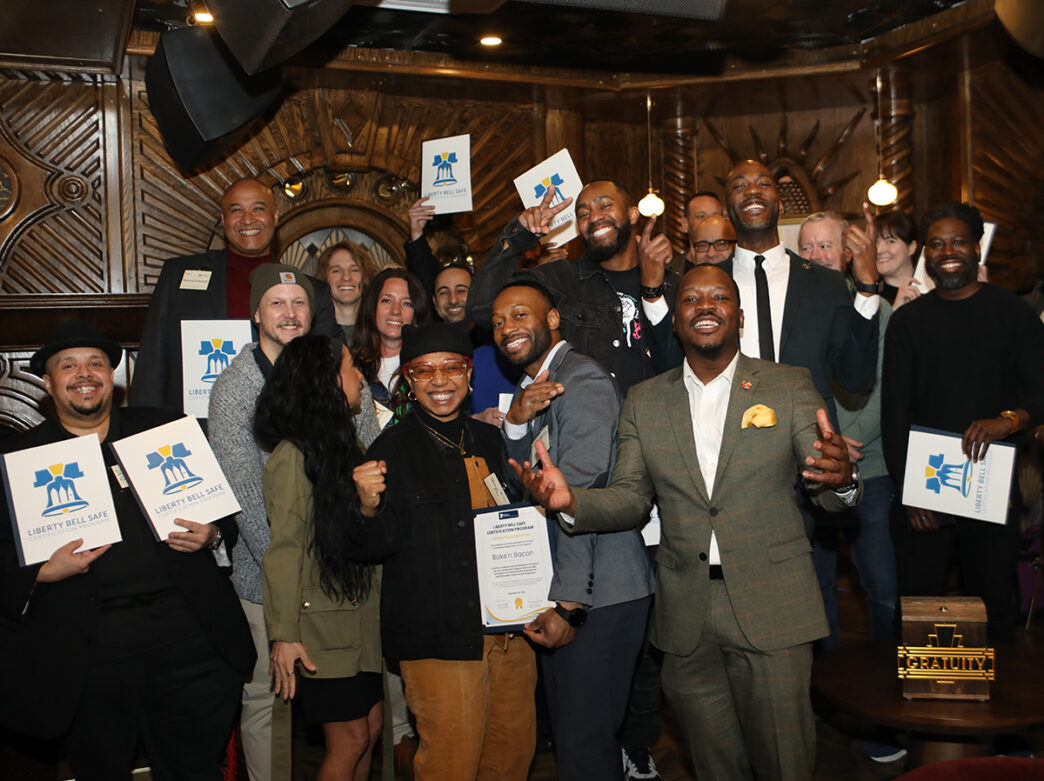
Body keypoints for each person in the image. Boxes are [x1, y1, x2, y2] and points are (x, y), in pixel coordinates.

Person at [513, 264, 860, 781]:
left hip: (774, 608)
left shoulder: (788, 386)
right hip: (686, 617)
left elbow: (825, 486)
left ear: (739, 315)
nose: (704, 305)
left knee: (786, 765)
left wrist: (841, 482)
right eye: (691, 298)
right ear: (675, 321)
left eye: (718, 296)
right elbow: (631, 499)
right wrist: (570, 502)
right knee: (715, 767)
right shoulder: (646, 401)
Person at [0, 320, 255, 780]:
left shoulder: (164, 431)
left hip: (191, 649)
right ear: (47, 382)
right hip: (88, 659)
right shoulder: (21, 460)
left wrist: (212, 535)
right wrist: (39, 572)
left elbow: (226, 523)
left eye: (96, 364)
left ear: (111, 377)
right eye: (69, 365)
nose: (84, 374)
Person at [209, 265, 382, 781]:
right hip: (272, 572)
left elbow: (369, 451)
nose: (289, 313)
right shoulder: (236, 385)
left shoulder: (339, 367)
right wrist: (300, 583)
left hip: (339, 569)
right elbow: (246, 497)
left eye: (299, 303)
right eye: (277, 303)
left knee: (358, 721)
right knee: (270, 695)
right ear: (256, 313)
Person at [351, 322, 536, 781]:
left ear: (469, 374)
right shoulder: (389, 449)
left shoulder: (490, 440)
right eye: (424, 371)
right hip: (438, 636)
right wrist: (366, 507)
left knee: (512, 753)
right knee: (451, 761)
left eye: (451, 368)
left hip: (508, 629)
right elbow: (367, 548)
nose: (439, 381)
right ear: (409, 381)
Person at [492, 281, 653, 780]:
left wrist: (569, 605)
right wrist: (516, 424)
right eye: (497, 321)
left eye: (520, 314)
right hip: (575, 587)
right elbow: (529, 488)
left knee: (585, 752)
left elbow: (578, 500)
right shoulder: (538, 386)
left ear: (554, 319)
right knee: (577, 745)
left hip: (598, 591)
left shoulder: (577, 381)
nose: (507, 328)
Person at [882, 201, 1044, 643]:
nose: (947, 251)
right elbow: (894, 414)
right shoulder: (907, 323)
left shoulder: (1013, 315)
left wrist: (1006, 422)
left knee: (996, 609)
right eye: (936, 244)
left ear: (977, 249)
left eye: (958, 241)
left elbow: (1041, 393)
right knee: (918, 609)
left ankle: (997, 703)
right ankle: (918, 705)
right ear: (926, 256)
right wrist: (910, 493)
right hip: (925, 496)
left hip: (991, 492)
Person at [255, 334, 383, 781]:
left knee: (368, 731)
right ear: (327, 381)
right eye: (350, 368)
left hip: (361, 623)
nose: (359, 379)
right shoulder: (292, 456)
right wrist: (284, 635)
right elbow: (285, 550)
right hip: (322, 630)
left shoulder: (347, 448)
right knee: (347, 741)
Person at [131, 177, 340, 413]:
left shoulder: (312, 293)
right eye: (236, 210)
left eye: (258, 209)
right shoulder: (177, 276)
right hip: (195, 430)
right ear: (223, 220)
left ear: (275, 216)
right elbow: (152, 364)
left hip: (283, 430)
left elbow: (326, 372)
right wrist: (145, 427)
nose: (247, 219)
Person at [468, 180, 680, 396]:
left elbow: (682, 368)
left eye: (605, 206)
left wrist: (654, 290)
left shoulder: (671, 284)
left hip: (655, 422)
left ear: (633, 214)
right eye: (583, 214)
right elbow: (483, 308)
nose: (595, 217)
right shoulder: (559, 279)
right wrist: (519, 236)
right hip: (589, 423)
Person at [797, 210, 898, 648]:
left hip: (870, 465)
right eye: (805, 247)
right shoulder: (794, 312)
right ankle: (829, 685)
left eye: (825, 246)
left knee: (881, 585)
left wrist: (844, 439)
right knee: (816, 588)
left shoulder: (880, 309)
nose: (815, 256)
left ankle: (885, 678)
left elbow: (884, 390)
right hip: (813, 465)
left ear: (847, 253)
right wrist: (825, 444)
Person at [352, 267, 429, 407]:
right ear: (372, 307)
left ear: (416, 314)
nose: (395, 311)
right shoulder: (351, 367)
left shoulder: (429, 369)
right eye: (387, 300)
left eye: (406, 303)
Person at [317, 240, 378, 345]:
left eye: (354, 270)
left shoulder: (380, 332)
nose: (346, 277)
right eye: (336, 270)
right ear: (324, 278)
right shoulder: (313, 334)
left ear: (365, 276)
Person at [874, 208, 921, 308]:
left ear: (911, 247)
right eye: (875, 242)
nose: (879, 250)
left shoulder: (933, 290)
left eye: (890, 241)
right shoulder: (869, 297)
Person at [677, 191, 725, 271]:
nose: (709, 221)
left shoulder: (736, 265)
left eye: (715, 216)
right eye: (701, 216)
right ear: (685, 224)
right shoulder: (670, 271)